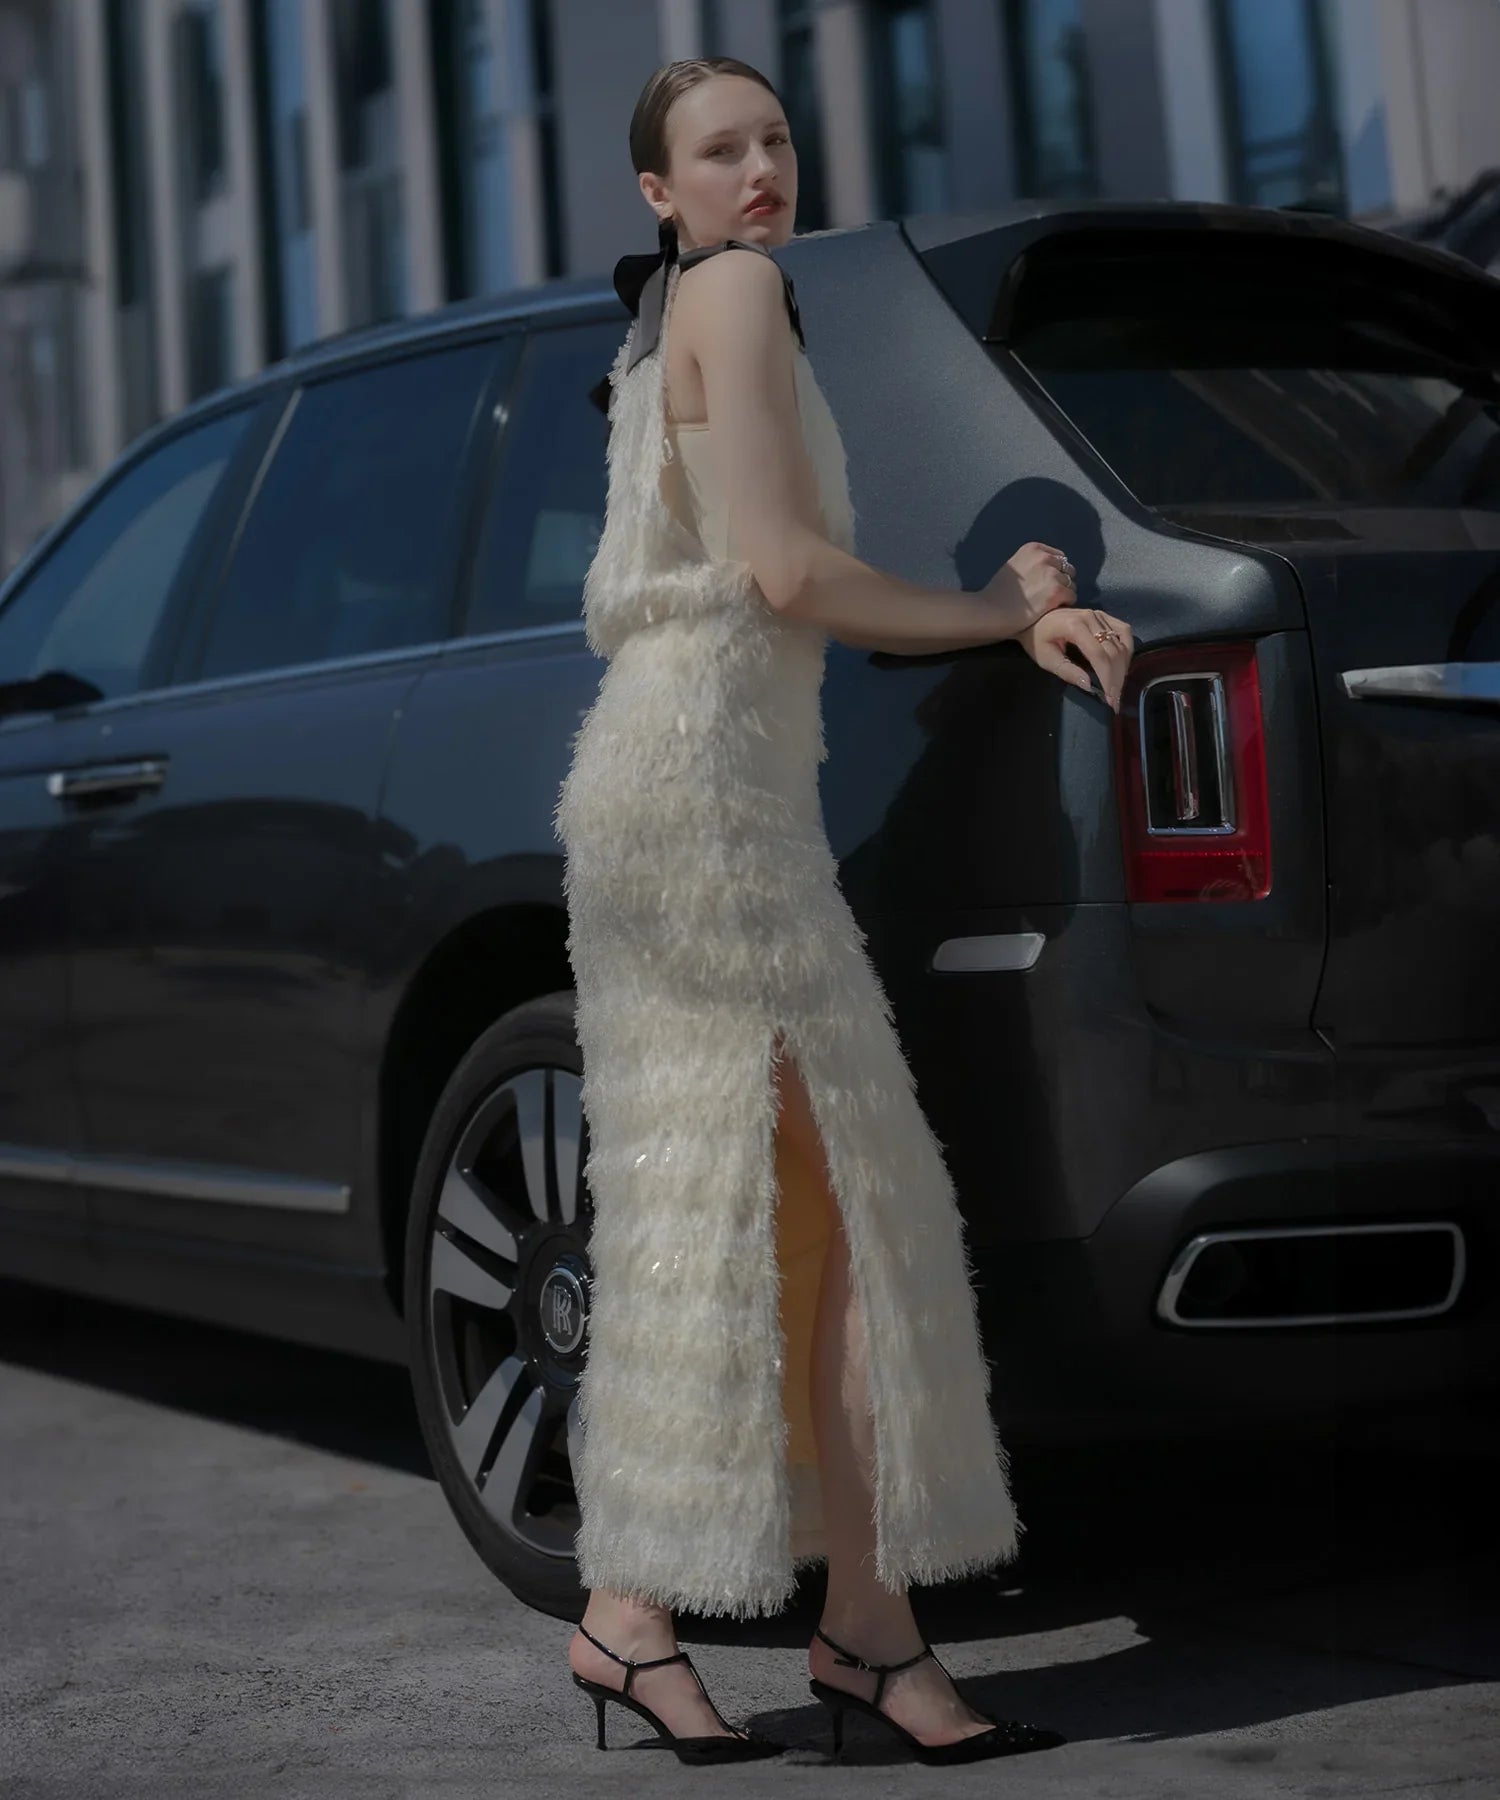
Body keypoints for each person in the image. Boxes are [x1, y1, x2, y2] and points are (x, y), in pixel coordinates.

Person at [555, 57, 1132, 1766]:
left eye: (776, 141)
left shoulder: (672, 319)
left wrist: (989, 608)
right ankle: (869, 1639)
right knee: (866, 1208)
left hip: (670, 786)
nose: (760, 170)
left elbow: (760, 574)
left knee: (722, 1217)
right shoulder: (736, 292)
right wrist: (1000, 607)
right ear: (659, 191)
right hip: (705, 808)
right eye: (718, 151)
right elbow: (792, 573)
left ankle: (632, 1616)